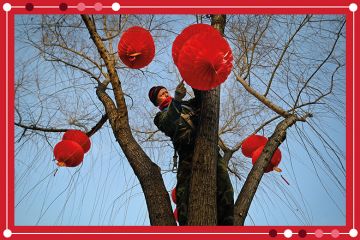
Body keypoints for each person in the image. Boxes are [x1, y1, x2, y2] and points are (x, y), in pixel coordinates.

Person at [148, 81, 234, 225]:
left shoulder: (187, 104)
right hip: (186, 154)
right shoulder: (159, 117)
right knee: (183, 197)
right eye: (161, 95)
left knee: (225, 187)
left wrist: (194, 79)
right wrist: (176, 100)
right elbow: (170, 123)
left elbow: (203, 99)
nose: (166, 94)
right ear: (157, 102)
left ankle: (227, 227)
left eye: (165, 91)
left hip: (209, 147)